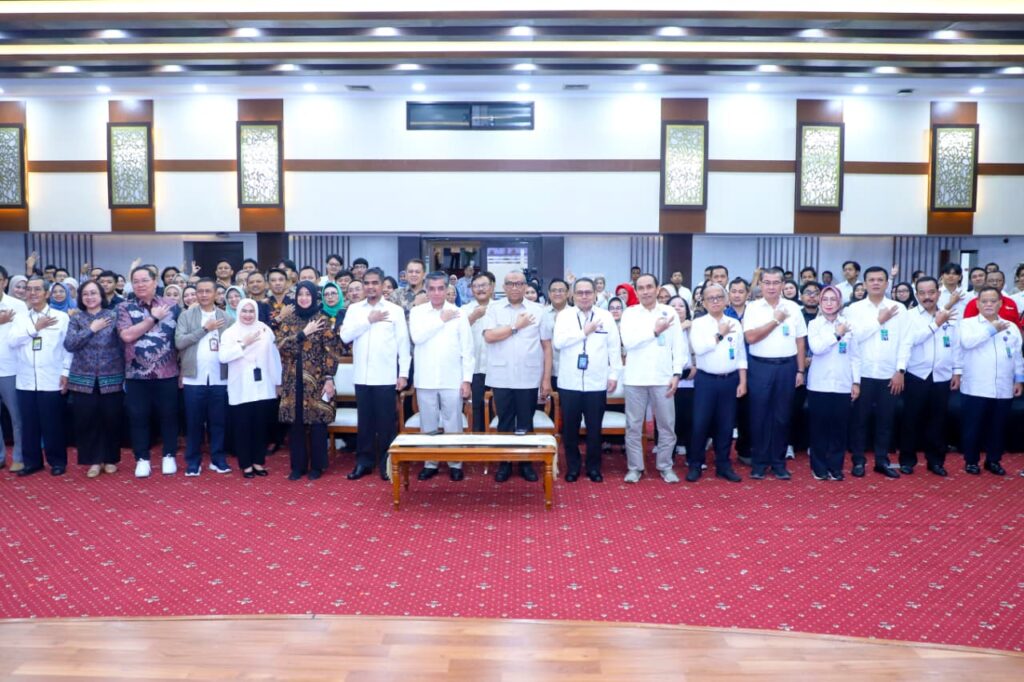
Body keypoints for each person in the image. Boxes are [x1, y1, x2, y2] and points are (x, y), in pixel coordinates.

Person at [483, 269, 553, 483]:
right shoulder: (494, 309)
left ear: (525, 286)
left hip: (528, 376)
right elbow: (489, 336)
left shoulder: (539, 310)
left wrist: (546, 379)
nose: (515, 287)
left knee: (525, 422)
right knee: (504, 422)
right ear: (504, 287)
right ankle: (504, 463)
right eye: (510, 284)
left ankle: (525, 463)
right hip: (501, 375)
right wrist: (515, 326)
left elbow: (547, 347)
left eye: (519, 283)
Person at [341, 268, 410, 480]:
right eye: (367, 283)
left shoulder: (394, 310)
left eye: (375, 283)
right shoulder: (354, 309)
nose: (370, 287)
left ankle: (387, 465)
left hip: (386, 376)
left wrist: (403, 373)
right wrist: (368, 320)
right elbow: (345, 336)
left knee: (386, 424)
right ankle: (364, 462)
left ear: (382, 285)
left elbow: (403, 344)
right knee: (365, 423)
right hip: (361, 376)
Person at [844, 266, 911, 479]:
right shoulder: (853, 309)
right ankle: (858, 461)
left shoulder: (899, 308)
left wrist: (900, 370)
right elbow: (854, 338)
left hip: (889, 374)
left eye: (880, 279)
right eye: (871, 280)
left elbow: (906, 341)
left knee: (886, 420)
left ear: (886, 283)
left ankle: (882, 461)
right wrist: (878, 321)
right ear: (864, 284)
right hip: (862, 374)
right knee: (859, 420)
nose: (875, 283)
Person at [620, 273, 688, 484]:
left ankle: (665, 466)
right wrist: (654, 332)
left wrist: (677, 373)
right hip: (635, 378)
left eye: (650, 287)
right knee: (633, 426)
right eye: (641, 288)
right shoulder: (630, 313)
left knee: (666, 426)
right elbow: (628, 343)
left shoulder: (669, 312)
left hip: (663, 378)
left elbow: (678, 346)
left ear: (657, 289)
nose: (646, 291)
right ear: (636, 291)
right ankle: (635, 468)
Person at [553, 277, 622, 483]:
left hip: (596, 382)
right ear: (573, 295)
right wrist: (584, 332)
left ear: (595, 294)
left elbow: (614, 348)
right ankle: (573, 467)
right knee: (570, 429)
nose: (584, 296)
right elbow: (558, 343)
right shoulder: (564, 316)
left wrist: (613, 375)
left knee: (594, 429)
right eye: (580, 292)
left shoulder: (605, 316)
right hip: (569, 382)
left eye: (588, 292)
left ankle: (594, 468)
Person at [742, 267, 807, 480]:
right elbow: (751, 338)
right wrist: (776, 320)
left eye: (775, 282)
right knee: (759, 416)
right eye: (767, 282)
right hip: (760, 367)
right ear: (760, 284)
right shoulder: (753, 308)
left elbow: (800, 341)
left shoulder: (793, 308)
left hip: (787, 367)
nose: (771, 287)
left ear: (783, 285)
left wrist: (800, 370)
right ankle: (759, 463)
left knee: (782, 416)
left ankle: (778, 462)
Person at [409, 272, 474, 481]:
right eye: (432, 289)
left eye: (440, 288)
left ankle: (455, 462)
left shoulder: (459, 313)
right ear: (426, 290)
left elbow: (467, 349)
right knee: (427, 422)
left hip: (452, 378)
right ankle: (430, 462)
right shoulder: (417, 312)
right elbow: (417, 338)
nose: (436, 293)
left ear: (447, 289)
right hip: (425, 378)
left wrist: (467, 380)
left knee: (453, 422)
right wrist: (440, 320)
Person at [117, 266, 181, 478]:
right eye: (136, 281)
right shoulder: (124, 307)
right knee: (138, 416)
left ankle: (169, 455)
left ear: (155, 282)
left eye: (144, 280)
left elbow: (179, 339)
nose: (140, 284)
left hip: (167, 372)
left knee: (169, 415)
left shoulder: (172, 306)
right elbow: (127, 335)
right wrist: (152, 319)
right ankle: (142, 458)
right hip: (136, 374)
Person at [277, 281, 340, 481]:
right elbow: (282, 347)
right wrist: (303, 333)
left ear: (314, 297)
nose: (304, 298)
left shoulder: (322, 320)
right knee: (295, 424)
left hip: (317, 379)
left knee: (317, 422)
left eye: (308, 294)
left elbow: (331, 352)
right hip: (293, 380)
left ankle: (318, 466)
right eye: (300, 294)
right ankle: (298, 466)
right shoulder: (288, 320)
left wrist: (329, 378)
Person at [899, 277, 960, 477]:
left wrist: (957, 371)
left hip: (942, 376)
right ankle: (907, 460)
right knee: (911, 420)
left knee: (938, 421)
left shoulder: (950, 315)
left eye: (931, 292)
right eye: (922, 293)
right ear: (916, 295)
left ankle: (935, 461)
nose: (927, 297)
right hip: (917, 375)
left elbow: (956, 345)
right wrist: (936, 324)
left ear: (938, 293)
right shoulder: (909, 316)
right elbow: (912, 340)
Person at [958, 287, 1024, 476]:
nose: (989, 304)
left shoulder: (1011, 326)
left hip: (1003, 385)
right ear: (977, 303)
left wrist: (1019, 379)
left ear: (1000, 303)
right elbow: (967, 342)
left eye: (993, 301)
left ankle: (993, 460)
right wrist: (991, 329)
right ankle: (971, 461)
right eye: (984, 301)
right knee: (973, 426)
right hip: (976, 386)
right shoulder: (967, 324)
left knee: (998, 426)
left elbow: (1017, 355)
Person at [9, 277, 71, 476]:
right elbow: (12, 341)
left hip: (52, 378)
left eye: (37, 289)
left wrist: (66, 372)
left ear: (47, 293)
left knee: (53, 423)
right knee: (29, 424)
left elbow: (67, 348)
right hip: (25, 380)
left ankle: (57, 462)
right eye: (29, 289)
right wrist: (35, 328)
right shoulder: (21, 318)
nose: (32, 293)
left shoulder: (61, 317)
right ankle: (32, 462)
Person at [64, 280, 124, 477]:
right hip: (83, 378)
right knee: (87, 420)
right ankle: (94, 461)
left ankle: (110, 459)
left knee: (111, 418)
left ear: (101, 295)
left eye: (93, 293)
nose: (89, 297)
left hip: (111, 375)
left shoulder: (113, 316)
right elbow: (69, 344)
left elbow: (123, 343)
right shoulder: (77, 318)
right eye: (85, 294)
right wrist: (91, 328)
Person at [686, 283, 745, 483]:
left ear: (726, 300)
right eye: (710, 298)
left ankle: (723, 465)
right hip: (706, 380)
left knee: (726, 425)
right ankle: (695, 464)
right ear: (703, 302)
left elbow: (741, 354)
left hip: (730, 380)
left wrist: (743, 381)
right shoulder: (699, 323)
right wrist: (720, 334)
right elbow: (699, 349)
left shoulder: (734, 323)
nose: (715, 301)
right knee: (700, 423)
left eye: (719, 297)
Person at [175, 278, 233, 477]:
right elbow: (179, 342)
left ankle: (218, 459)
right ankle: (193, 462)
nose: (204, 295)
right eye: (200, 291)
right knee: (194, 423)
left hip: (220, 378)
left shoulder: (226, 318)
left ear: (216, 293)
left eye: (208, 291)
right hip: (194, 378)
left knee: (219, 422)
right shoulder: (186, 316)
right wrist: (205, 329)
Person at [219, 298, 282, 479]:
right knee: (243, 427)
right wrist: (243, 343)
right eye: (244, 311)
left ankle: (258, 462)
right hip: (241, 387)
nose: (248, 315)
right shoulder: (230, 332)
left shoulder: (265, 329)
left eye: (251, 311)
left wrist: (277, 382)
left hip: (264, 385)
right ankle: (246, 464)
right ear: (238, 312)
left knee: (261, 426)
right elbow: (223, 357)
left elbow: (274, 357)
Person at [805, 285, 860, 481]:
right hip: (819, 385)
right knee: (819, 429)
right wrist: (837, 334)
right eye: (825, 299)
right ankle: (819, 467)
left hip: (843, 384)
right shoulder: (814, 324)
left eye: (833, 299)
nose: (829, 303)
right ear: (820, 303)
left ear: (840, 303)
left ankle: (836, 467)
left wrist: (856, 382)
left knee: (839, 429)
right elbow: (817, 349)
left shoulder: (848, 325)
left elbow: (855, 356)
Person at [0, 266, 28, 472]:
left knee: (17, 417)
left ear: (4, 281)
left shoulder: (17, 305)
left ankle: (19, 456)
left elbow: (23, 334)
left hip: (11, 368)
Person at [463, 271, 494, 432]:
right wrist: (473, 317)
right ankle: (476, 441)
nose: (480, 289)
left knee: (495, 408)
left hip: (495, 368)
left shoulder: (500, 308)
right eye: (476, 286)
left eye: (483, 285)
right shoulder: (464, 310)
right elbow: (456, 334)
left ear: (491, 287)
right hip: (473, 368)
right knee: (475, 408)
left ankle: (495, 442)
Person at [543, 279, 571, 390]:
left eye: (561, 290)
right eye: (554, 290)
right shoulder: (542, 313)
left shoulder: (575, 313)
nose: (557, 293)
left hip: (569, 369)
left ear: (567, 293)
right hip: (547, 371)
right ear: (549, 294)